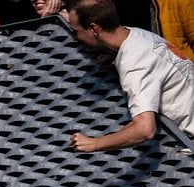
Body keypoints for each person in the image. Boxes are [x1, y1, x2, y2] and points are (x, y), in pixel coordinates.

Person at [65, 0, 194, 151]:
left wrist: (94, 143)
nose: (74, 38)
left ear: (93, 29)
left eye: (76, 31)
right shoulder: (137, 35)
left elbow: (145, 130)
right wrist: (113, 55)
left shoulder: (135, 64)